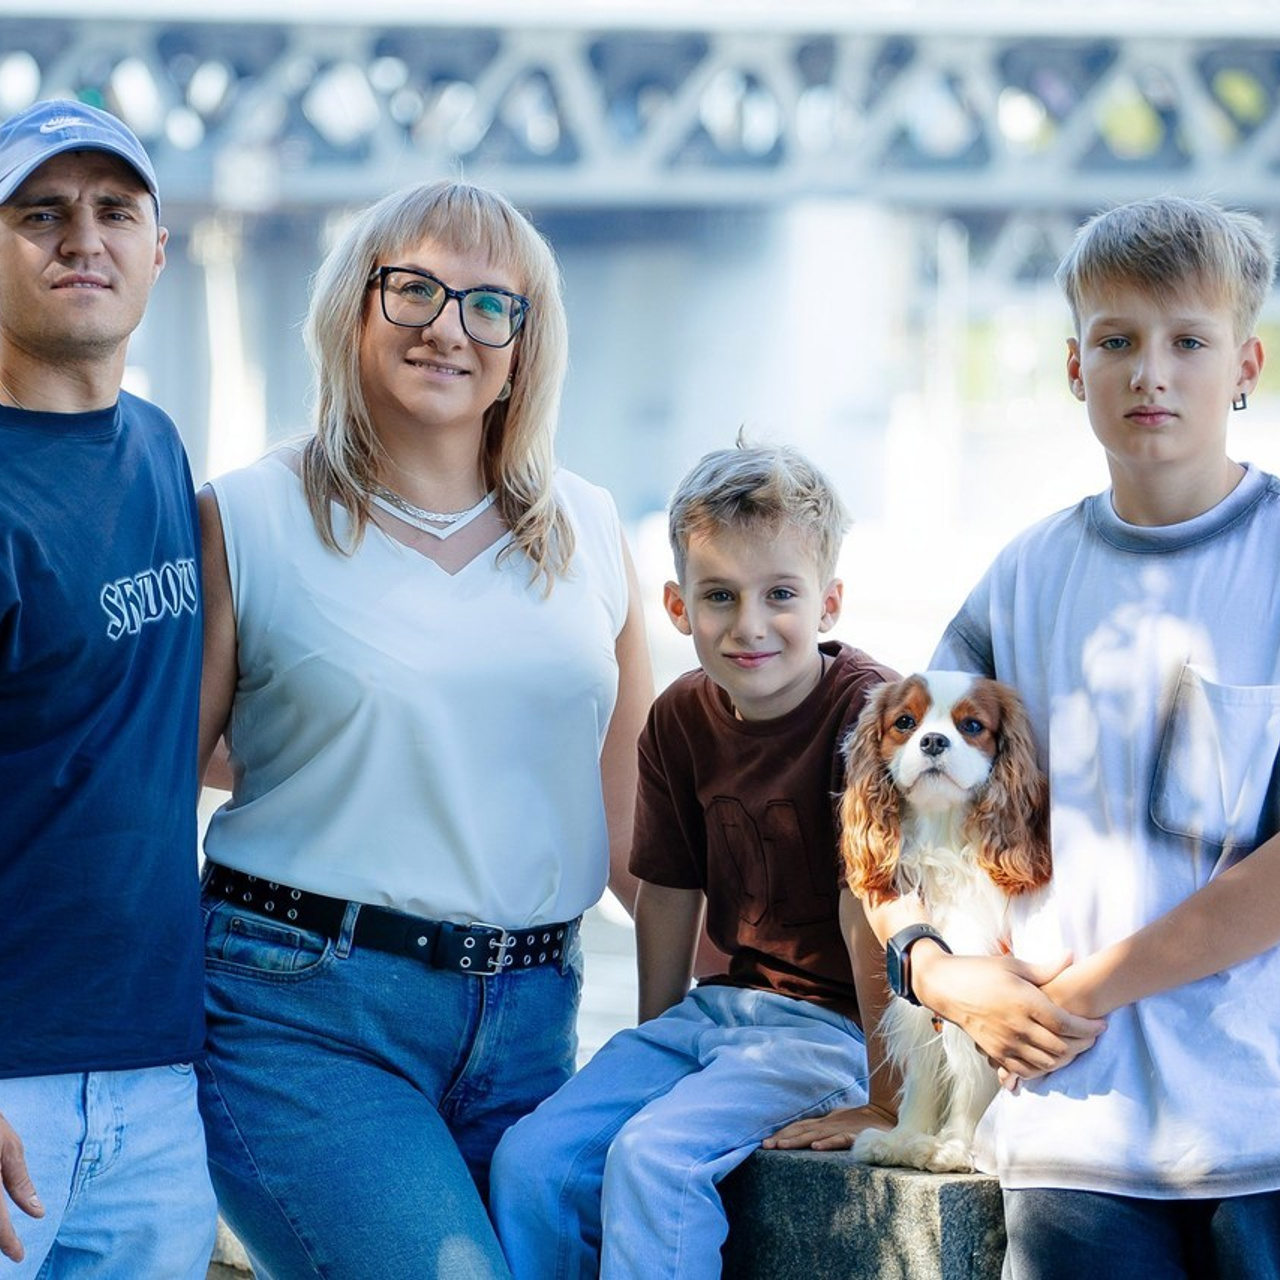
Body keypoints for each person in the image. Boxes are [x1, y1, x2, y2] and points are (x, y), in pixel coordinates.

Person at [196, 178, 653, 1279]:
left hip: (534, 1022)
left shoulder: (588, 528)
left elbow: (638, 835)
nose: (447, 326)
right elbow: (151, 772)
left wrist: (832, 994)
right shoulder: (246, 516)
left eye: (488, 305)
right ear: (352, 309)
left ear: (521, 344)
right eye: (413, 289)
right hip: (304, 1014)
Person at [814, 196, 1280, 1276]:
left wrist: (1078, 991)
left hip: (1259, 1133)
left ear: (1244, 361)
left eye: (1185, 342)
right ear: (1074, 368)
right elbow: (876, 809)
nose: (1146, 372)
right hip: (1064, 1144)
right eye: (1113, 341)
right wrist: (930, 968)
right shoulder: (1018, 579)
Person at [489, 441, 899, 1279]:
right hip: (719, 1017)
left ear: (830, 602)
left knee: (655, 1161)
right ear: (678, 606)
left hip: (833, 1033)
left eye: (780, 594)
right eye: (720, 596)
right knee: (531, 1159)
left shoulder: (869, 716)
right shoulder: (679, 718)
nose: (749, 625)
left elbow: (878, 917)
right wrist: (655, 1042)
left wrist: (889, 1101)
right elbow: (668, 891)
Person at [0, 99, 217, 1276]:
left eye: (113, 210)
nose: (82, 237)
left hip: (155, 1082)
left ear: (156, 251)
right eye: (42, 213)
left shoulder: (159, 447)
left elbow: (151, 713)